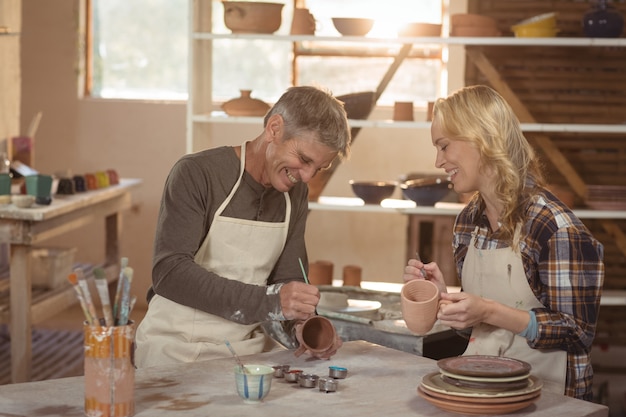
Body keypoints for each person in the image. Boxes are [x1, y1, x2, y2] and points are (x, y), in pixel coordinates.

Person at [402, 85, 604, 401]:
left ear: (480, 139)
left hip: (548, 401)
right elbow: (477, 332)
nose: (438, 161)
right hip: (481, 392)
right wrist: (447, 301)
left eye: (443, 146)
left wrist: (489, 311)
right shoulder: (468, 221)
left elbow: (577, 333)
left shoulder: (553, 227)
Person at [135, 85, 350, 367]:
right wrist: (271, 302)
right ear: (274, 128)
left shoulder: (294, 196)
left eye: (319, 168)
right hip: (174, 349)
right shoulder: (197, 174)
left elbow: (287, 280)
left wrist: (301, 326)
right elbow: (170, 272)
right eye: (304, 159)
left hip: (249, 353)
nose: (307, 176)